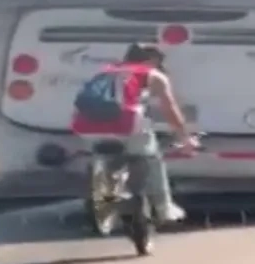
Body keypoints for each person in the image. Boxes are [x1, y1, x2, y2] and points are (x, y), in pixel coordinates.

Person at [71, 42, 198, 222]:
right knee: (152, 157)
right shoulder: (153, 75)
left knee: (98, 153)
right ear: (152, 60)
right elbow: (170, 109)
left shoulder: (103, 72)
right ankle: (164, 207)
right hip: (127, 126)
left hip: (86, 126)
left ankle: (102, 186)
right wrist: (184, 137)